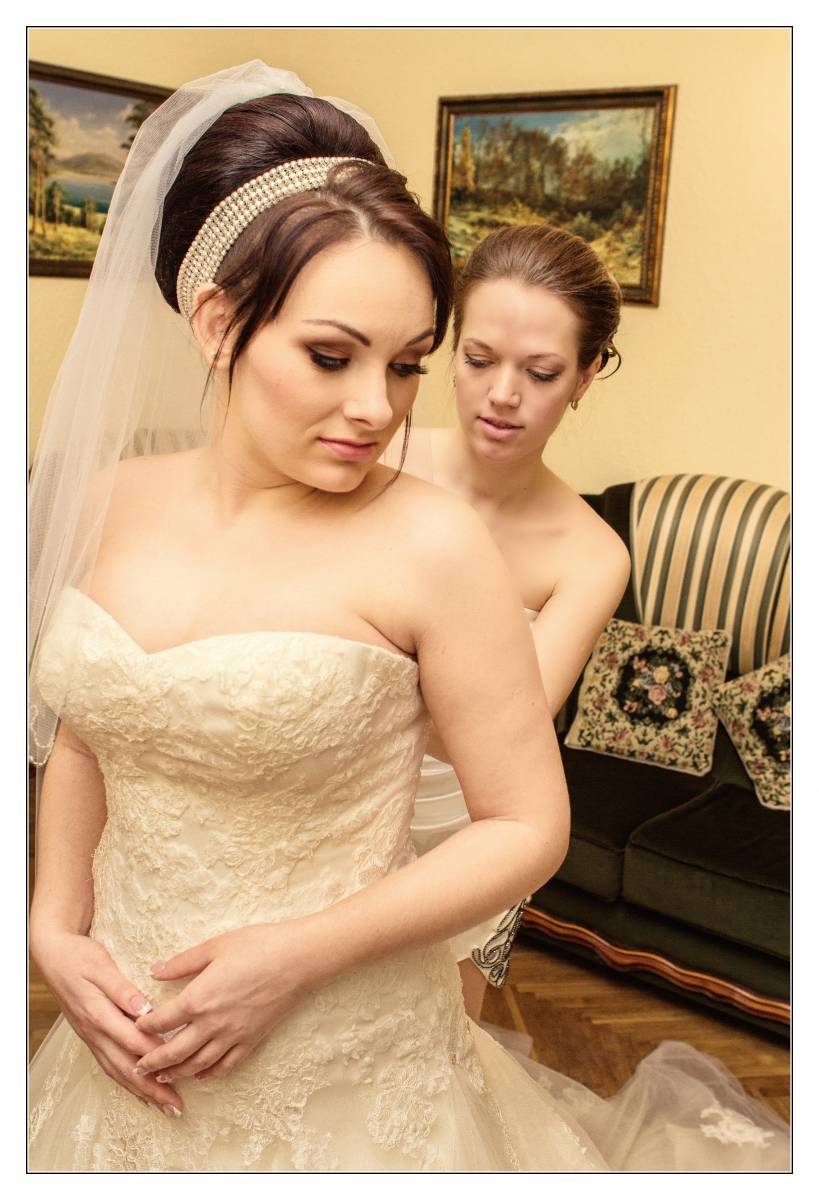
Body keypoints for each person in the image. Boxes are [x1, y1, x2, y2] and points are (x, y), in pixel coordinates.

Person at [28, 62, 789, 1172]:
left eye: (406, 366)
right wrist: (54, 923)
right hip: (122, 1030)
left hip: (334, 1051)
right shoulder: (108, 498)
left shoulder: (434, 542)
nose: (374, 408)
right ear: (217, 320)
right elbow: (91, 728)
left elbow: (526, 825)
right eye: (330, 357)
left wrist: (293, 957)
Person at [405, 225, 631, 1020]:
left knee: (437, 1047)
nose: (503, 394)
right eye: (477, 360)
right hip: (317, 795)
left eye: (540, 373)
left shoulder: (590, 555)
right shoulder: (376, 458)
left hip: (461, 830)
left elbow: (499, 741)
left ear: (585, 374)